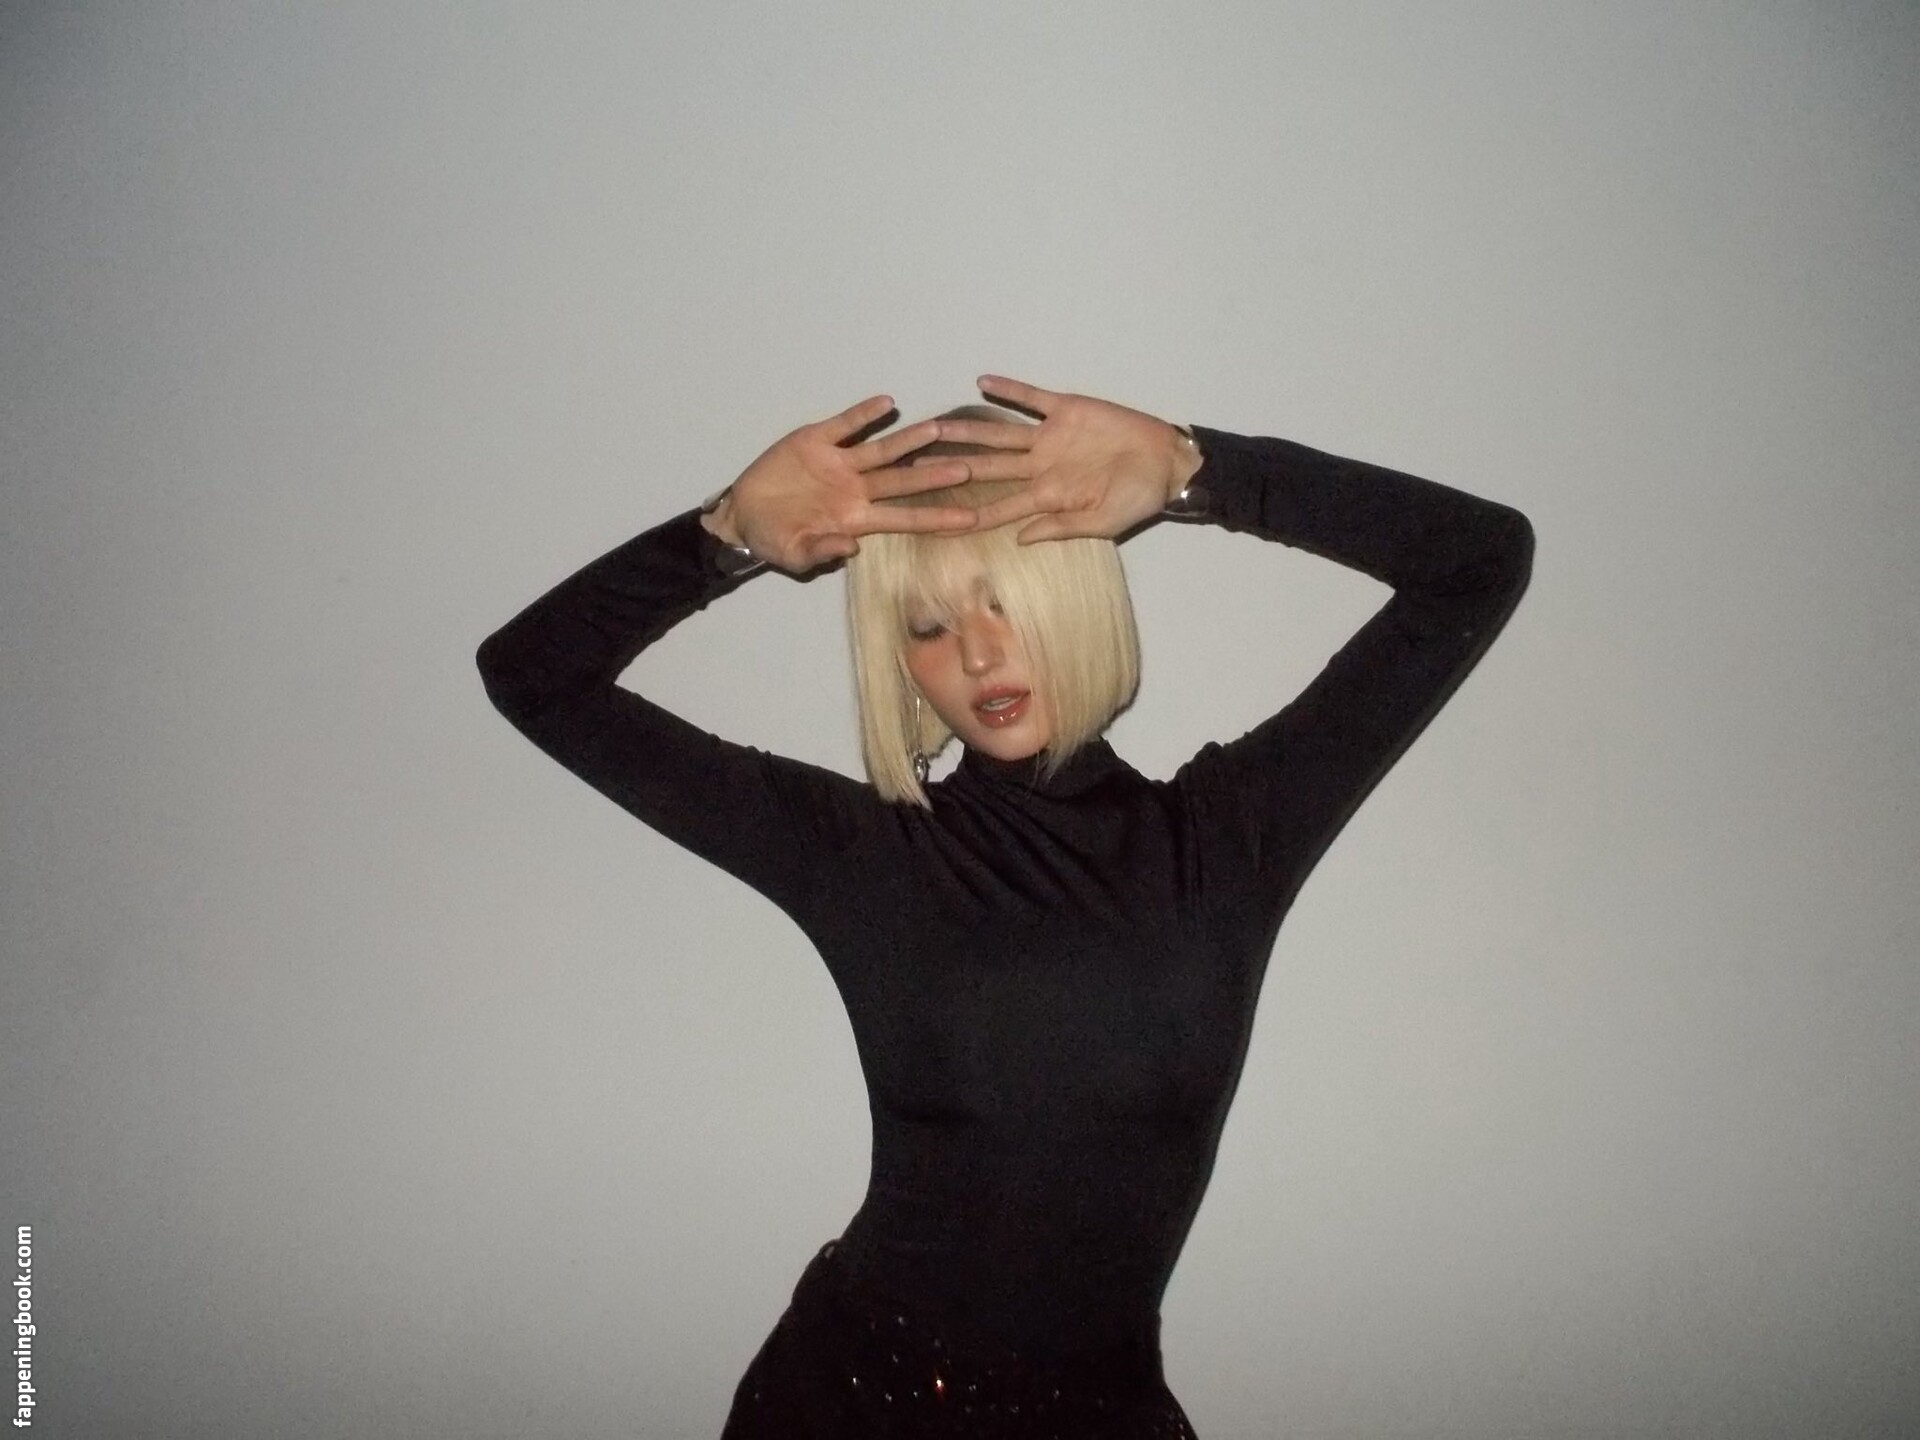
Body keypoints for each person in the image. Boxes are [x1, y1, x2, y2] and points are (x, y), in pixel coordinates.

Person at [474, 375, 1535, 1438]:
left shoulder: (1224, 840)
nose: (976, 653)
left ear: (1075, 591)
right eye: (928, 624)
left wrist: (1194, 469)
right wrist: (723, 537)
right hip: (854, 1404)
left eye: (1003, 599)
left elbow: (1478, 561)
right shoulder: (862, 852)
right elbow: (532, 676)